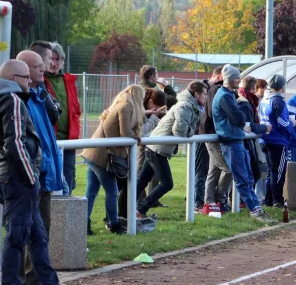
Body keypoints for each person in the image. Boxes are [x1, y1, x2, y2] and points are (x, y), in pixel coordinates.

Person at [0, 59, 89, 285]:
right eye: (24, 77)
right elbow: (16, 144)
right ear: (11, 77)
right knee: (18, 237)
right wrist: (31, 177)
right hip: (18, 181)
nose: (29, 81)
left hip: (11, 179)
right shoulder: (12, 100)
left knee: (37, 238)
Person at [16, 50, 64, 285]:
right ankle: (20, 282)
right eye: (38, 67)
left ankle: (34, 279)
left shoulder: (38, 95)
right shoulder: (19, 99)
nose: (44, 70)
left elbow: (53, 121)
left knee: (41, 229)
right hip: (30, 174)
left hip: (44, 173)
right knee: (27, 230)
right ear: (22, 69)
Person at [136, 81, 207, 217]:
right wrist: (193, 131)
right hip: (157, 149)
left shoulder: (189, 105)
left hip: (155, 148)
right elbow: (179, 131)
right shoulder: (185, 105)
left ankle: (125, 210)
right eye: (204, 94)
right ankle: (140, 208)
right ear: (196, 94)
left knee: (140, 182)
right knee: (167, 183)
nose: (206, 97)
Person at [81, 85, 145, 234]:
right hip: (102, 156)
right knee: (112, 192)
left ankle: (84, 223)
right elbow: (125, 133)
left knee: (91, 192)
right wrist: (138, 136)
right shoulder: (126, 107)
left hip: (93, 153)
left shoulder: (118, 105)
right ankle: (114, 224)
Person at [214, 65, 275, 222]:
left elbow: (240, 119)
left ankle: (257, 209)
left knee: (247, 177)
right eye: (236, 78)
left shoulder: (228, 95)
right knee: (242, 178)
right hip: (232, 142)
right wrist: (242, 122)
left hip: (236, 140)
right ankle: (255, 211)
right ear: (229, 79)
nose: (238, 81)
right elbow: (239, 119)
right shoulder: (225, 96)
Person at [33, 41, 81, 195]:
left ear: (63, 61)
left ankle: (65, 216)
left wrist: (74, 128)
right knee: (48, 180)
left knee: (69, 178)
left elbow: (76, 109)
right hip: (49, 140)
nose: (54, 63)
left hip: (69, 140)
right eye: (51, 59)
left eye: (58, 59)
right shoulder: (39, 81)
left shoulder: (69, 80)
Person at [120, 89, 167, 220]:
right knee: (139, 177)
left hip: (144, 146)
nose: (158, 110)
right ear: (150, 102)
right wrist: (154, 117)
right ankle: (135, 208)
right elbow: (143, 132)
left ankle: (136, 208)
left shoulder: (143, 109)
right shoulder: (136, 109)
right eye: (157, 108)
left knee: (141, 178)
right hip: (140, 147)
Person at [259, 74, 295, 208]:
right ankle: (277, 200)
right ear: (282, 87)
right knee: (278, 171)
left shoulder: (264, 99)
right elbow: (281, 121)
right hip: (277, 140)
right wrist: (291, 124)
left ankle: (268, 200)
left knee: (270, 171)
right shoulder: (278, 100)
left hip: (265, 139)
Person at [201, 65, 233, 213]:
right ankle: (219, 199)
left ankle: (210, 202)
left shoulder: (217, 90)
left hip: (215, 135)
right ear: (221, 76)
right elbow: (216, 113)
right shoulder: (216, 90)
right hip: (213, 136)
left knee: (213, 171)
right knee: (228, 169)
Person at [194, 67, 222, 211]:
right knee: (201, 169)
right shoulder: (200, 89)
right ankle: (197, 202)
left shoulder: (216, 90)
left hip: (209, 135)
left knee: (210, 169)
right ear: (219, 76)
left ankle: (205, 199)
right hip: (201, 135)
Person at [237, 76, 269, 187]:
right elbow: (248, 124)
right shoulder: (245, 102)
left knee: (251, 172)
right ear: (255, 88)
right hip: (245, 142)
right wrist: (264, 128)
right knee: (253, 173)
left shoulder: (246, 100)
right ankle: (241, 199)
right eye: (263, 87)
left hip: (247, 141)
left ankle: (242, 199)